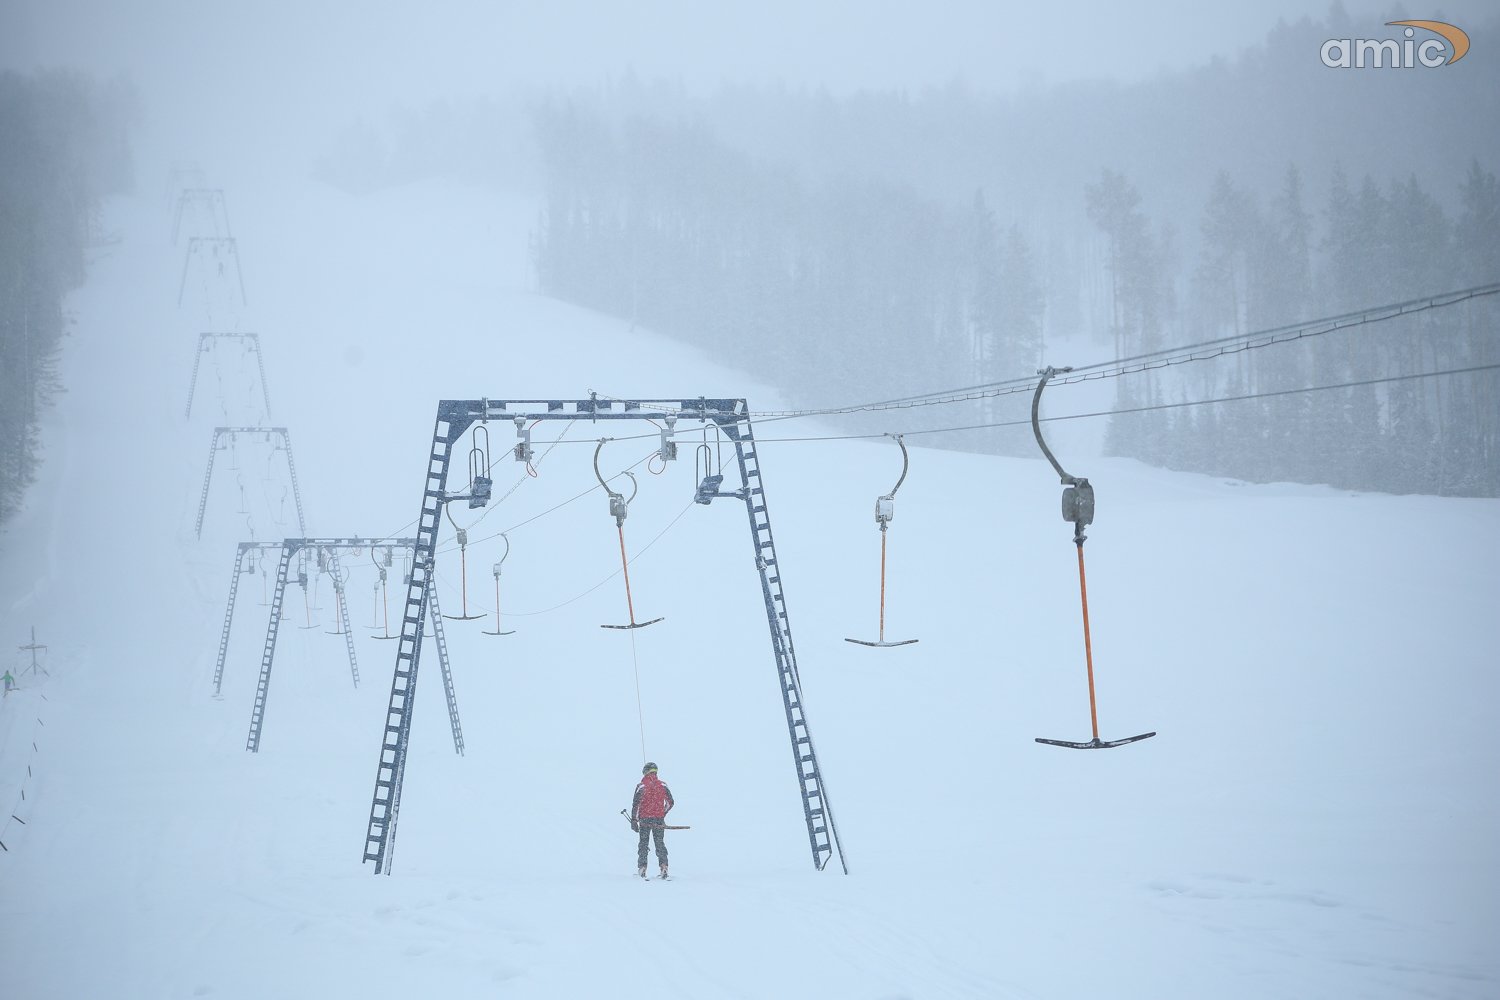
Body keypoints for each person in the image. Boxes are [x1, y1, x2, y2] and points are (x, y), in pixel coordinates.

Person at [630, 761, 675, 878]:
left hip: (645, 820)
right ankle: (664, 867)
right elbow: (670, 802)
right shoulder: (663, 785)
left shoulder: (641, 786)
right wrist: (662, 813)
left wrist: (634, 820)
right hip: (659, 820)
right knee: (660, 843)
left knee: (643, 844)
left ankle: (642, 868)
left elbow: (636, 805)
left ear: (645, 772)